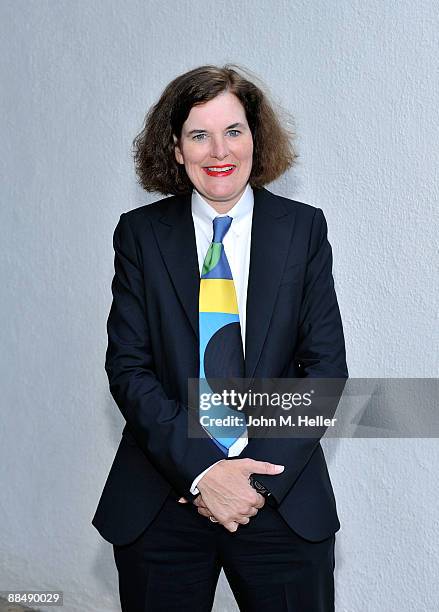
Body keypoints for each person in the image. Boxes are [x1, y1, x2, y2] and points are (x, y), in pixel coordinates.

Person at [92, 64, 348, 611]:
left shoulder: (303, 230)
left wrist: (247, 484)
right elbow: (129, 369)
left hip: (278, 496)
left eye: (233, 130)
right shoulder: (139, 235)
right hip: (164, 501)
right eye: (198, 135)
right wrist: (204, 473)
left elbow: (323, 371)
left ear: (256, 137)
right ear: (176, 150)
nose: (218, 150)